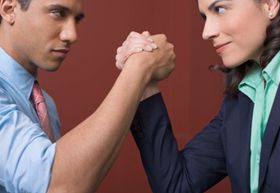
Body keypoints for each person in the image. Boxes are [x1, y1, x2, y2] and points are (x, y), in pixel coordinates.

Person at [0, 0, 176, 192]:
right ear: (9, 9)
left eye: (76, 19)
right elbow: (55, 185)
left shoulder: (45, 104)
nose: (72, 34)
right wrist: (140, 67)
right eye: (58, 13)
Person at [115, 0, 280, 192]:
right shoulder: (244, 96)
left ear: (270, 4)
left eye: (220, 9)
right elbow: (176, 186)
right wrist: (145, 79)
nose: (206, 32)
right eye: (205, 16)